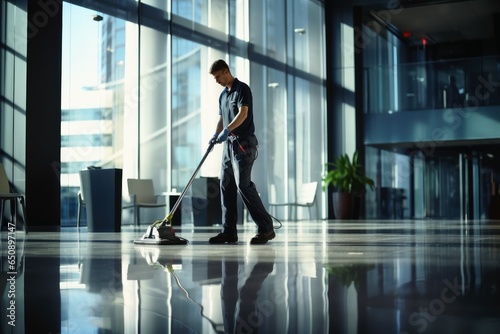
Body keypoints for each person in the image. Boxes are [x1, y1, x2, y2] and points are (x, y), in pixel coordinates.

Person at [207, 59, 275, 245]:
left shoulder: (242, 89)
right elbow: (222, 119)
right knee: (225, 185)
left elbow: (243, 113)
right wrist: (216, 134)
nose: (217, 81)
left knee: (243, 185)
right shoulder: (222, 96)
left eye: (218, 76)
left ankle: (266, 228)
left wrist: (227, 130)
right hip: (228, 146)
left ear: (226, 71)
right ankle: (228, 231)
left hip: (244, 144)